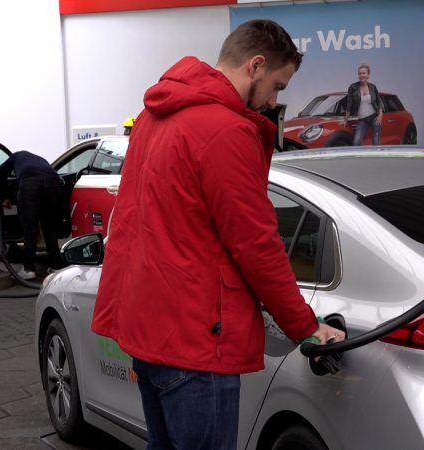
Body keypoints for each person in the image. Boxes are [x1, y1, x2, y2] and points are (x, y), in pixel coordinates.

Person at [90, 19, 345, 449]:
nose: (274, 101)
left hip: (152, 335)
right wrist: (305, 325)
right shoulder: (225, 131)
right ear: (255, 65)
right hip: (196, 344)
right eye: (277, 86)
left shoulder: (157, 117)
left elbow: (132, 223)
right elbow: (256, 244)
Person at [0, 150, 63, 280]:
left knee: (30, 227)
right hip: (53, 182)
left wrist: (3, 197)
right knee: (48, 226)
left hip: (31, 184)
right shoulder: (37, 159)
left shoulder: (14, 157)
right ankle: (56, 266)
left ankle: (28, 269)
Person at [344, 63, 383, 145]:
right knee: (356, 142)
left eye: (363, 73)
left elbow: (379, 101)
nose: (361, 75)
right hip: (362, 120)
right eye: (359, 73)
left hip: (374, 117)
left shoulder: (373, 87)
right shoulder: (353, 87)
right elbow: (349, 104)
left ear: (368, 75)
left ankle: (377, 157)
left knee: (376, 142)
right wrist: (345, 119)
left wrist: (380, 115)